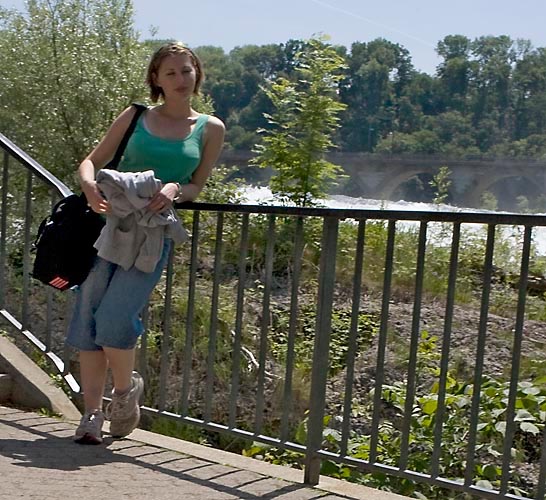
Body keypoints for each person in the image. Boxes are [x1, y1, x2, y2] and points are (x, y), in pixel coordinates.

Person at [67, 42, 225, 444]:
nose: (180, 80)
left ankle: (123, 395)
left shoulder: (210, 128)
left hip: (153, 234)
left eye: (186, 71)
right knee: (88, 320)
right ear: (156, 79)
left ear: (197, 74)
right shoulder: (136, 115)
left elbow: (196, 186)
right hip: (107, 227)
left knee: (116, 319)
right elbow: (91, 161)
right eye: (170, 73)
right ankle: (90, 415)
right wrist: (89, 187)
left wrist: (174, 188)